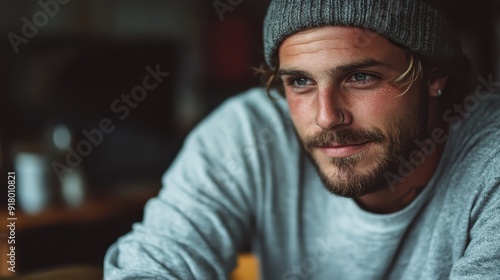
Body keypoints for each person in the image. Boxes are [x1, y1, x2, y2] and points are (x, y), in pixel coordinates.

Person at [104, 0, 500, 279]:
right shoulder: (247, 135)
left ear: (434, 77)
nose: (327, 116)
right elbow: (154, 263)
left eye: (361, 77)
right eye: (300, 82)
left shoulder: (490, 157)